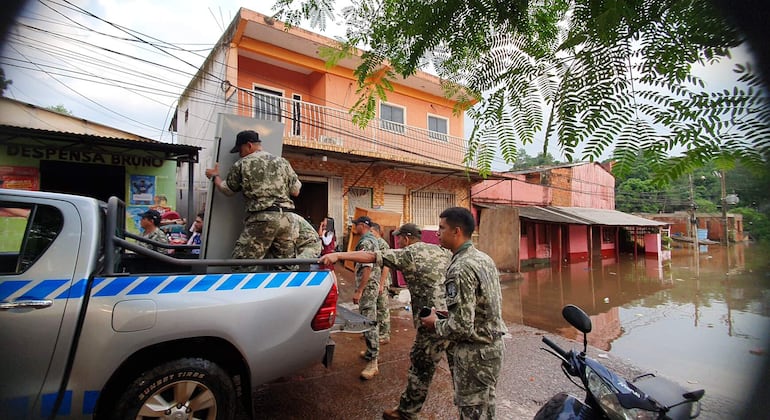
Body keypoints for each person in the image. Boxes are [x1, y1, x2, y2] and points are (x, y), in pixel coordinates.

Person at [319, 223, 451, 420]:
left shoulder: (409, 253)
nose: (398, 242)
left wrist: (338, 256)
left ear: (406, 238)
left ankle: (406, 413)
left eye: (399, 239)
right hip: (453, 318)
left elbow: (371, 258)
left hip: (431, 322)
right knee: (457, 368)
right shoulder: (440, 251)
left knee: (421, 368)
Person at [420, 207, 507, 420]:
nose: (437, 233)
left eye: (442, 228)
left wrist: (435, 323)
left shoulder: (460, 268)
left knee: (472, 412)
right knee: (485, 408)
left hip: (475, 355)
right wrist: (448, 314)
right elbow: (482, 306)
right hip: (492, 350)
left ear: (456, 231)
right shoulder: (482, 258)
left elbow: (461, 327)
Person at [204, 130, 302, 269]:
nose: (239, 153)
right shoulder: (282, 162)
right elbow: (296, 191)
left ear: (249, 145)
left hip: (262, 219)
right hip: (287, 219)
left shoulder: (242, 163)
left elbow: (228, 190)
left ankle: (240, 290)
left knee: (242, 266)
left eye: (240, 150)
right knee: (286, 267)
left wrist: (215, 177)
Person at [349, 215, 384, 380]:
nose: (354, 228)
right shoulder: (373, 239)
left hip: (368, 288)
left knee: (369, 322)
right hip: (372, 287)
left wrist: (359, 290)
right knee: (369, 319)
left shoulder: (365, 241)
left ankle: (374, 361)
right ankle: (371, 352)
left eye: (355, 225)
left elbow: (367, 267)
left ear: (362, 225)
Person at [370, 222, 392, 345]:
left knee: (383, 308)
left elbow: (387, 266)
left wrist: (381, 283)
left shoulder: (383, 244)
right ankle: (376, 332)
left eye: (371, 232)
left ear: (377, 231)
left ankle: (384, 334)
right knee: (377, 308)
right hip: (376, 281)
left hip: (382, 281)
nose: (370, 234)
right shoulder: (374, 243)